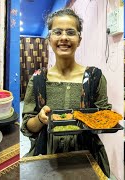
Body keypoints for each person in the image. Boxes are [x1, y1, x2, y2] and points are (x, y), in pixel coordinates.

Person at [21, 8, 112, 177]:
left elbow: (104, 118)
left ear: (79, 39)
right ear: (49, 38)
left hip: (87, 154)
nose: (64, 37)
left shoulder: (94, 77)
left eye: (71, 32)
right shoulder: (38, 79)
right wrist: (40, 119)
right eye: (57, 32)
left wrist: (101, 119)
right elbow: (28, 127)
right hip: (47, 154)